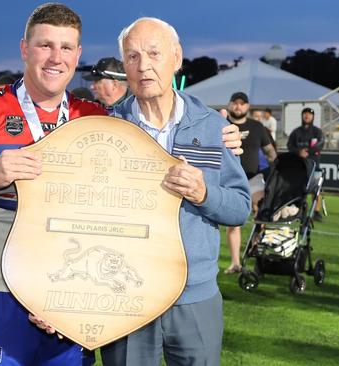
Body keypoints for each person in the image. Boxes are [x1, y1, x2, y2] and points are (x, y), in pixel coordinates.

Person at [0, 4, 243, 365]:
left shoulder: (94, 118)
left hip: (76, 298)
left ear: (78, 55)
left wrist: (222, 138)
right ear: (25, 48)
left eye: (66, 47)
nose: (55, 57)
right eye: (45, 45)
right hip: (0, 291)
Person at [99, 17, 250, 366]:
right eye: (133, 57)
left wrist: (203, 193)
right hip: (125, 295)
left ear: (177, 58)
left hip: (195, 298)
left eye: (154, 53)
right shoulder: (107, 128)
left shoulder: (214, 128)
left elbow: (240, 208)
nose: (144, 66)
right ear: (124, 65)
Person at [224, 92, 276, 274]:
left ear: (247, 106)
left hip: (253, 178)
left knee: (261, 214)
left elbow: (270, 152)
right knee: (234, 222)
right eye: (235, 103)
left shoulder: (257, 127)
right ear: (230, 105)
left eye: (242, 104)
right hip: (230, 179)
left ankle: (256, 251)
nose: (238, 106)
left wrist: (274, 171)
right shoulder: (221, 125)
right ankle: (236, 263)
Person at [287, 107, 324, 222]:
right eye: (305, 114)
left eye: (309, 114)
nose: (307, 116)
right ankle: (300, 210)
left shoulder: (317, 132)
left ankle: (316, 212)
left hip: (314, 164)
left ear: (313, 117)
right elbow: (290, 146)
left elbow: (320, 144)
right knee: (300, 188)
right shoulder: (296, 132)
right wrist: (299, 152)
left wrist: (307, 152)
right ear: (302, 116)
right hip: (300, 165)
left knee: (316, 188)